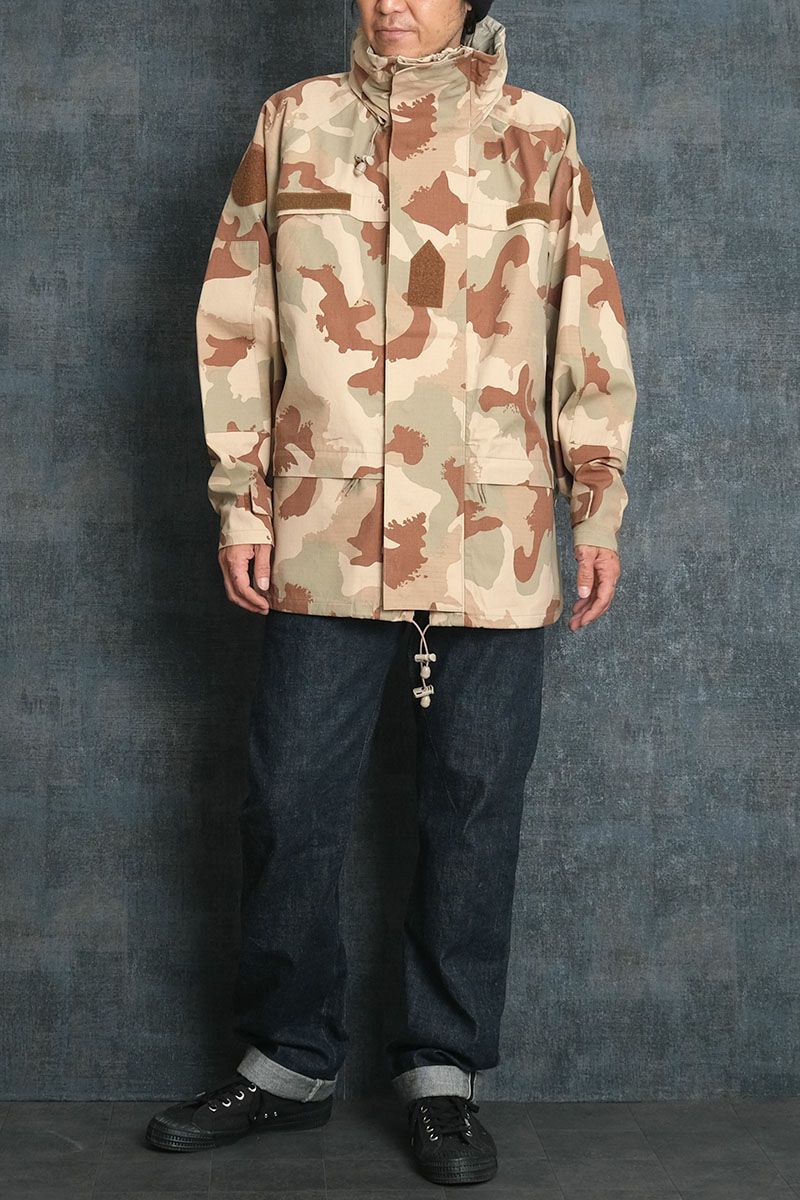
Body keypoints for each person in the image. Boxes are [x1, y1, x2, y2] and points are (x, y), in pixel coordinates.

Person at [146, 0, 637, 1186]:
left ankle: (441, 1070)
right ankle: (286, 1061)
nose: (391, 4)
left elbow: (585, 321)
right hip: (327, 525)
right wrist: (241, 501)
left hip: (491, 531)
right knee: (287, 798)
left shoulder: (539, 132)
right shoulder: (294, 120)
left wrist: (596, 499)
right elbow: (236, 322)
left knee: (472, 808)